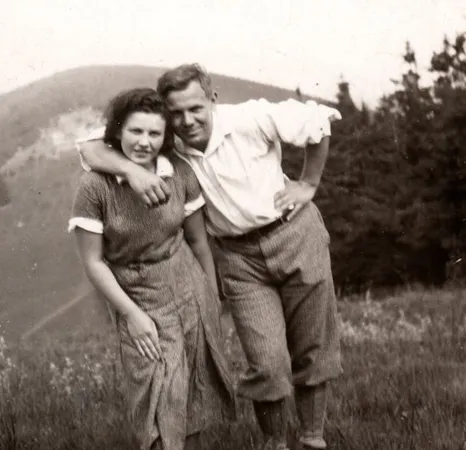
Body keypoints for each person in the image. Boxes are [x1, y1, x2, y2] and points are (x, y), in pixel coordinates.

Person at [77, 64, 343, 450]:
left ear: (212, 100)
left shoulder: (252, 117)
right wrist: (132, 173)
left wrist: (309, 183)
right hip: (238, 258)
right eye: (177, 113)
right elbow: (89, 148)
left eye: (196, 109)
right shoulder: (170, 145)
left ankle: (312, 437)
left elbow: (318, 121)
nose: (187, 120)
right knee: (267, 361)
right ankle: (273, 444)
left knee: (313, 345)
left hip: (296, 233)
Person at [69, 87, 236, 450]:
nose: (144, 142)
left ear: (165, 137)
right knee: (158, 388)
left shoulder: (178, 172)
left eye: (154, 133)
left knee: (195, 388)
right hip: (137, 294)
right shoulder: (95, 185)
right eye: (135, 131)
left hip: (188, 284)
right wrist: (131, 315)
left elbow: (197, 242)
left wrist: (212, 296)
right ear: (117, 132)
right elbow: (93, 262)